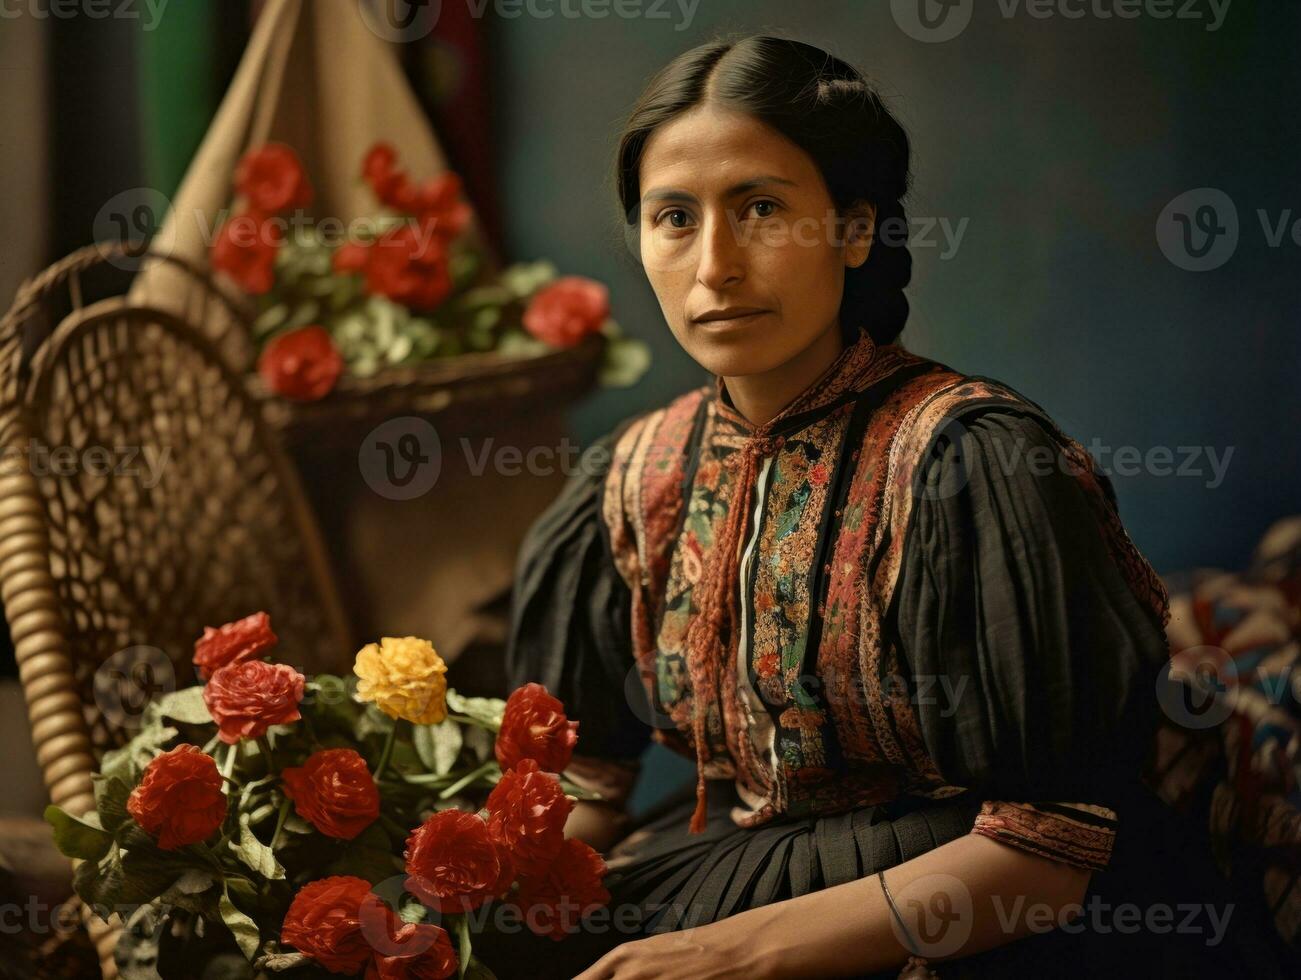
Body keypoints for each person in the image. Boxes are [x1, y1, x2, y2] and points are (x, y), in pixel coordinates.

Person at [493, 34, 1280, 980]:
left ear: (855, 229)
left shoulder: (974, 463)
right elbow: (587, 785)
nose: (716, 264)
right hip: (757, 861)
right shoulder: (633, 476)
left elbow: (1050, 849)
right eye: (673, 217)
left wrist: (733, 955)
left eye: (760, 208)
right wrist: (465, 897)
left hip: (998, 901)